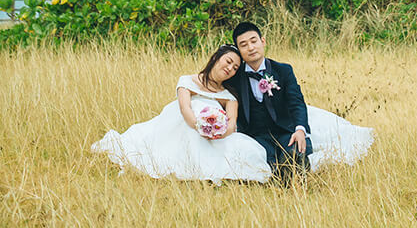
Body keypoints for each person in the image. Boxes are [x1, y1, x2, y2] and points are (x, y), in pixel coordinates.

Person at [92, 44, 273, 184]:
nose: (230, 68)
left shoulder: (228, 96)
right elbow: (185, 108)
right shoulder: (188, 81)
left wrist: (217, 133)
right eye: (228, 61)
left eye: (235, 68)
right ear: (217, 57)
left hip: (215, 135)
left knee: (247, 151)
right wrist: (199, 126)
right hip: (182, 124)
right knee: (193, 113)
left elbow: (232, 123)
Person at [230, 20, 313, 180]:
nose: (251, 47)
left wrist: (300, 129)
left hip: (284, 130)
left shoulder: (283, 70)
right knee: (267, 163)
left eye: (254, 41)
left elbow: (296, 102)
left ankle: (294, 167)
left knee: (295, 150)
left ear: (263, 41)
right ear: (239, 51)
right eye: (244, 45)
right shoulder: (234, 76)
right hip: (255, 135)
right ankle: (278, 172)